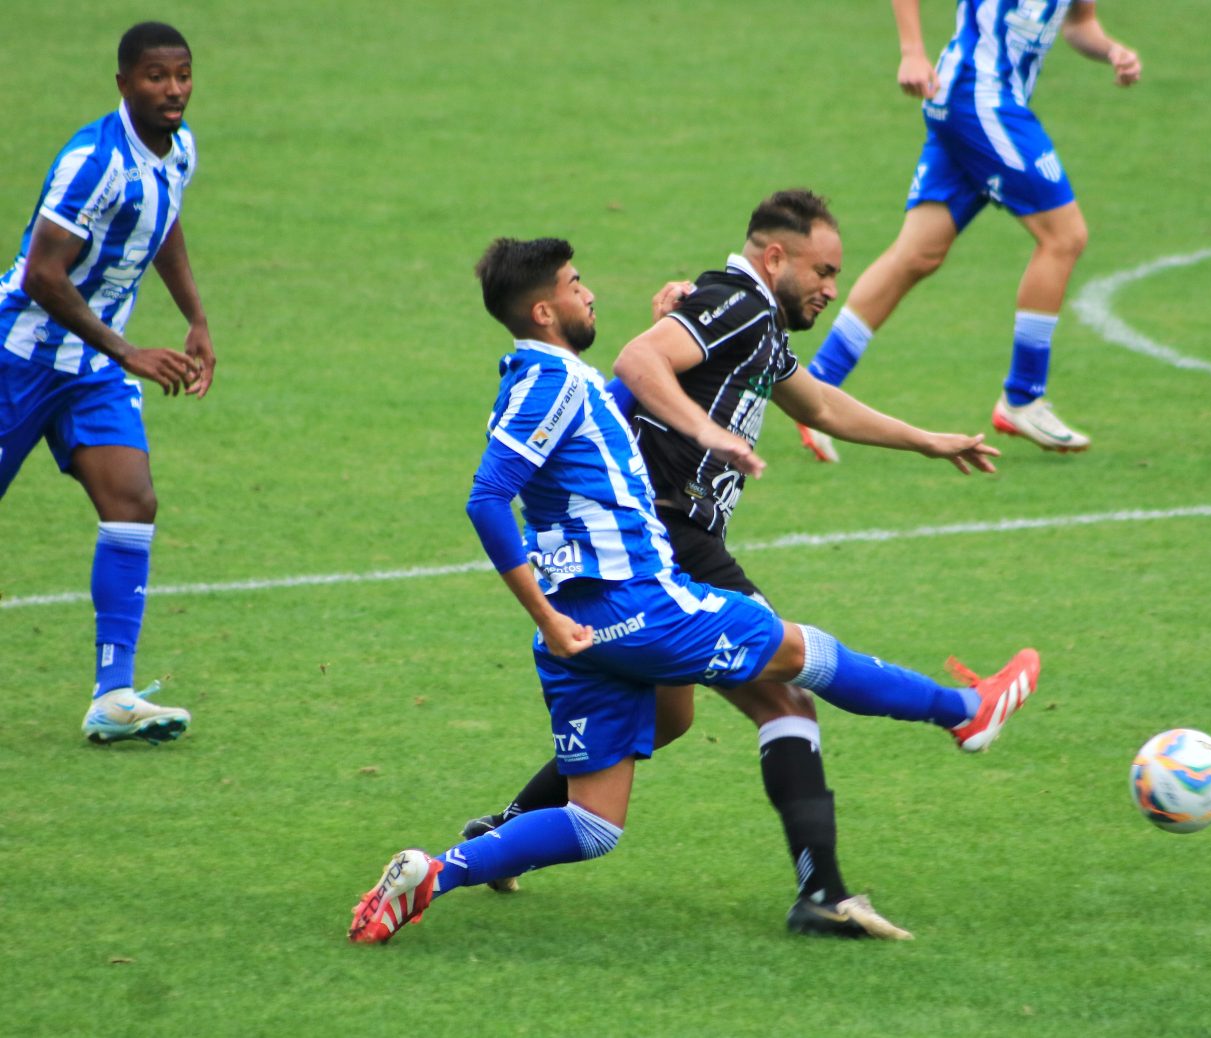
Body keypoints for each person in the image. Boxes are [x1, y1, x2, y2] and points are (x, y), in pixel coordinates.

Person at [347, 235, 1039, 945]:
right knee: (801, 655)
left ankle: (435, 873)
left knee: (594, 823)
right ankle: (964, 712)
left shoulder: (548, 381)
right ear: (547, 310)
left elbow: (613, 417)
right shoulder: (555, 383)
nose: (590, 292)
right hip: (633, 605)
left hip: (586, 629)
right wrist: (545, 615)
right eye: (576, 282)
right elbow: (488, 498)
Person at [799, 0, 1141, 461]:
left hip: (973, 101)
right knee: (1064, 236)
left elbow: (1080, 23)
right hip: (979, 100)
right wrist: (912, 52)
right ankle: (1023, 396)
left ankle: (816, 390)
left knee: (917, 255)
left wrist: (1113, 51)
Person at [0, 22, 213, 744]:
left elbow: (164, 224)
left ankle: (112, 695)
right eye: (156, 77)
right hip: (20, 356)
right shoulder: (92, 163)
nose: (173, 89)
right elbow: (42, 274)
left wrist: (196, 318)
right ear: (123, 83)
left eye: (182, 74)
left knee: (132, 500)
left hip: (90, 369)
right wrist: (127, 351)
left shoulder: (177, 149)